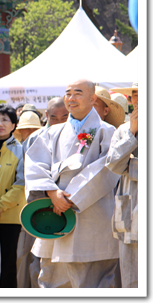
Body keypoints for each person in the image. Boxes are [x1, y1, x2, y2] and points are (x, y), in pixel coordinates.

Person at [24, 79, 120, 288]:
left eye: (78, 93)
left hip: (90, 212)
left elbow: (105, 169)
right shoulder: (52, 132)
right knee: (52, 278)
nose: (71, 98)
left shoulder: (107, 131)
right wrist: (51, 192)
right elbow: (34, 164)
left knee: (91, 280)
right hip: (54, 210)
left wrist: (70, 198)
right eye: (68, 93)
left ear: (92, 98)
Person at [17, 96, 67, 288]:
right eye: (54, 117)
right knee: (37, 260)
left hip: (68, 204)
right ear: (46, 116)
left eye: (65, 117)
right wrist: (48, 196)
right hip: (39, 206)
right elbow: (28, 175)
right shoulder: (34, 139)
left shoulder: (77, 136)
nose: (59, 121)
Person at [0, 104, 26, 288]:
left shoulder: (21, 150)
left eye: (5, 120)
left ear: (14, 125)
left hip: (9, 217)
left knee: (9, 263)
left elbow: (21, 183)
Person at [106, 82, 138, 288]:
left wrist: (132, 167)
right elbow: (114, 164)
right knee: (131, 276)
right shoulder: (123, 130)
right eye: (134, 94)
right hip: (130, 207)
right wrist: (132, 134)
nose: (138, 99)